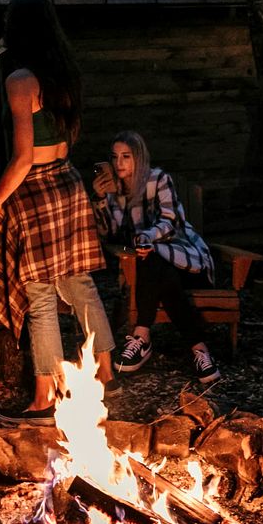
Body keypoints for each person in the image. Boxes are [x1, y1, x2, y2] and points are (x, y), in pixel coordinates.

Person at [0, 0, 115, 425]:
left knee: (39, 296)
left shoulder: (21, 79)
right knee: (79, 282)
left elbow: (22, 157)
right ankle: (106, 366)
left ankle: (45, 396)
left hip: (35, 186)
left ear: (15, 29)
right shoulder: (63, 72)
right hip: (67, 180)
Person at [92, 130, 221, 384]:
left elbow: (170, 221)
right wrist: (100, 200)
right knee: (156, 264)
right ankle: (200, 350)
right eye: (115, 157)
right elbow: (111, 234)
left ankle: (141, 337)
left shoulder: (158, 179)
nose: (119, 163)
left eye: (126, 157)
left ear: (138, 157)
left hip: (188, 261)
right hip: (156, 269)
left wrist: (147, 238)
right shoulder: (114, 193)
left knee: (153, 256)